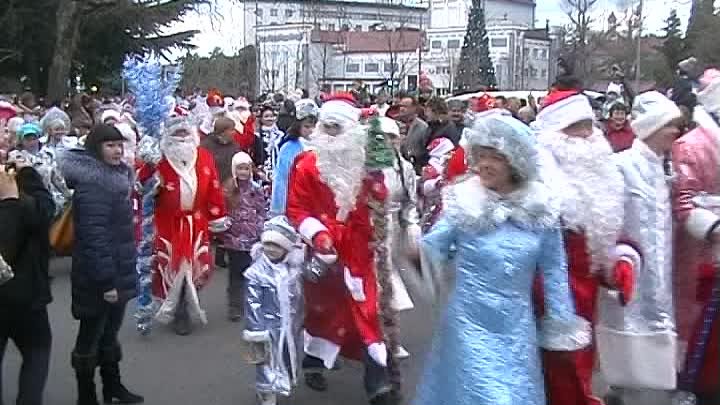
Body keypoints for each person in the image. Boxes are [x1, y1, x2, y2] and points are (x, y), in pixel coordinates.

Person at [415, 114, 590, 405]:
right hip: (468, 322)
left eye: (494, 157)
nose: (484, 164)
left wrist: (561, 322)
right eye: (481, 156)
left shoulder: (541, 210)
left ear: (515, 160)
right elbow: (432, 250)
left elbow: (554, 269)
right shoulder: (464, 203)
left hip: (516, 327)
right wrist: (415, 254)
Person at [286, 96, 399, 405]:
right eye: (327, 127)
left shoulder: (366, 162)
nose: (331, 133)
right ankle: (313, 364)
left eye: (338, 127)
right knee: (323, 311)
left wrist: (378, 201)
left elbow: (378, 202)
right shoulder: (306, 164)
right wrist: (317, 235)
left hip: (359, 249)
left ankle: (377, 383)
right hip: (323, 250)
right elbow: (297, 208)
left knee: (366, 310)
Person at [534, 89, 625, 405]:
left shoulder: (605, 172)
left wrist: (619, 263)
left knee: (581, 354)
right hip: (550, 287)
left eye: (589, 125)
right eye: (576, 127)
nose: (587, 135)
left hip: (588, 285)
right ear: (554, 132)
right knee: (559, 360)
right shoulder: (540, 180)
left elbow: (613, 230)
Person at [596, 91, 682, 405]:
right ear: (650, 128)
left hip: (660, 276)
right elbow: (604, 220)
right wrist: (615, 260)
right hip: (628, 273)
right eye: (669, 126)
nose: (676, 132)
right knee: (627, 344)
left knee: (657, 348)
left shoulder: (667, 169)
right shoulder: (621, 166)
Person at [58, 124, 143, 405]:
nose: (118, 150)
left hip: (117, 271)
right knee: (90, 339)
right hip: (98, 279)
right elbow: (95, 240)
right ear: (96, 149)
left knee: (109, 334)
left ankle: (112, 387)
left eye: (120, 145)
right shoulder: (94, 186)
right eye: (110, 145)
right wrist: (107, 282)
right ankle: (87, 396)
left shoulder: (116, 178)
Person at [141, 117, 229, 336]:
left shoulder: (204, 157)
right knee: (173, 267)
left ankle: (185, 304)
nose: (182, 138)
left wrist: (217, 216)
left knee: (195, 267)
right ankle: (180, 312)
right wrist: (148, 170)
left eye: (185, 134)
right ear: (167, 137)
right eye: (177, 134)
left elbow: (214, 188)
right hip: (167, 223)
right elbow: (142, 188)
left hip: (196, 222)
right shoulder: (158, 159)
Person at [671, 68, 720, 404]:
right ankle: (694, 382)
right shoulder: (689, 145)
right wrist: (715, 228)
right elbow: (683, 201)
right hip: (704, 250)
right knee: (701, 325)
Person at [0, 157, 55, 405]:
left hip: (28, 296)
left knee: (37, 353)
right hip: (22, 294)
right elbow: (6, 248)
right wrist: (10, 200)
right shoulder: (17, 202)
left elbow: (45, 211)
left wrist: (28, 175)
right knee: (36, 354)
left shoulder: (26, 191)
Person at [243, 216, 304, 405]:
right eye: (267, 244)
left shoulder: (292, 269)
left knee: (284, 358)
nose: (271, 249)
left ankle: (280, 384)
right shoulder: (256, 272)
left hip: (288, 326)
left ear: (286, 248)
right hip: (266, 328)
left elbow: (299, 297)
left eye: (276, 246)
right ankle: (266, 393)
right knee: (265, 362)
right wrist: (257, 330)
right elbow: (252, 303)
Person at [378, 117, 419, 359]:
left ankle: (391, 338)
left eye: (392, 137)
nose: (387, 142)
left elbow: (410, 203)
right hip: (368, 229)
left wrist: (412, 227)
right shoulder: (365, 167)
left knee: (389, 284)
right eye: (382, 137)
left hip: (392, 229)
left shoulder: (405, 168)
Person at [223, 152, 266, 321]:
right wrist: (225, 231)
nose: (243, 172)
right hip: (234, 239)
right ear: (234, 169)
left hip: (252, 238)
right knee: (235, 274)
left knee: (251, 272)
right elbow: (223, 209)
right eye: (240, 168)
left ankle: (252, 302)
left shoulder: (256, 189)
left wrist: (261, 229)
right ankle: (234, 306)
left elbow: (262, 210)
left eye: (246, 169)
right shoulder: (228, 189)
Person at [270, 99, 318, 216]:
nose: (311, 131)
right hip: (295, 202)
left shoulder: (323, 147)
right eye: (306, 126)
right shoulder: (289, 148)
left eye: (314, 127)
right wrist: (279, 209)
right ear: (298, 126)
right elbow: (281, 180)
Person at [396, 94, 428, 172]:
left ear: (414, 108)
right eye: (400, 106)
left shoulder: (423, 127)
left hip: (416, 168)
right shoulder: (394, 125)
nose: (402, 109)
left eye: (405, 106)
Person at [256, 106, 285, 180]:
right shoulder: (257, 136)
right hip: (262, 172)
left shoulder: (281, 135)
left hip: (278, 170)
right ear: (261, 119)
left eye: (271, 116)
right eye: (266, 116)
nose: (269, 118)